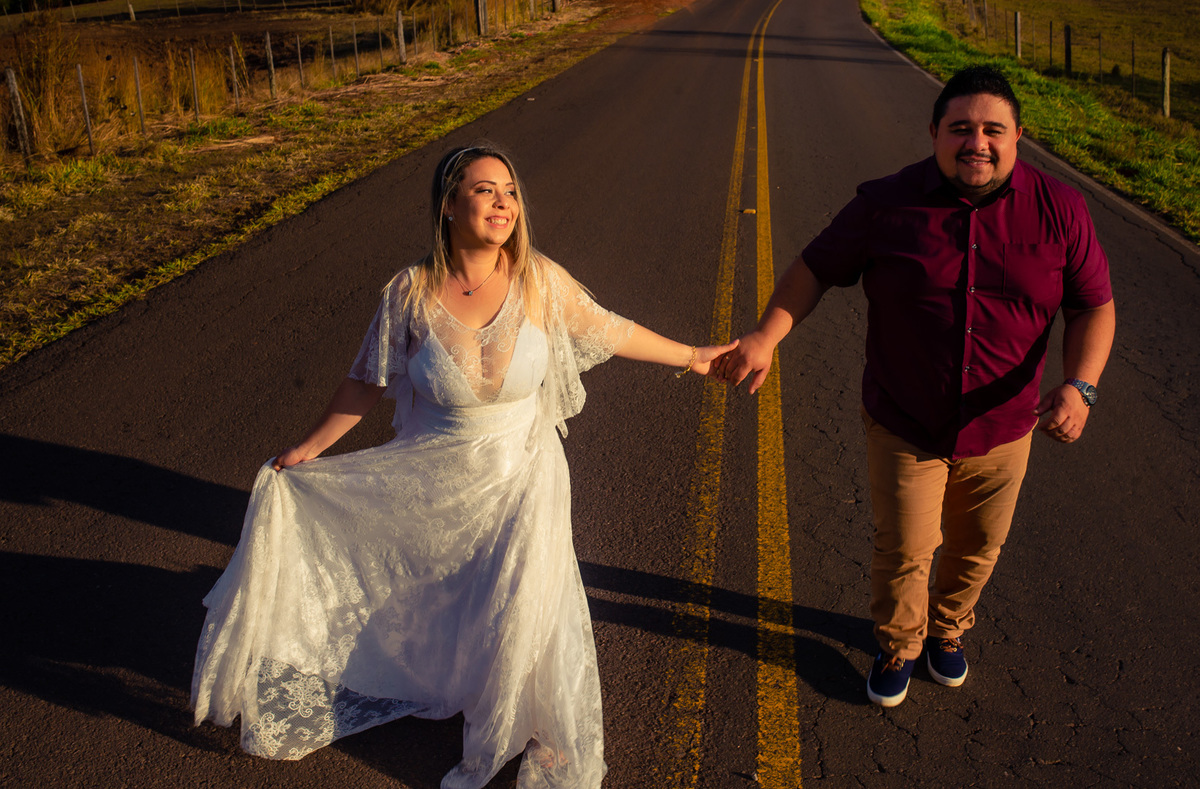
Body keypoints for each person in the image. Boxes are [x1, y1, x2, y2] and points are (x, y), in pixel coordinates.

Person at [191, 143, 735, 787]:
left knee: (525, 595)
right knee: (454, 591)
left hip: (526, 468)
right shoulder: (410, 291)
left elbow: (610, 329)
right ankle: (458, 678)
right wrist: (308, 449)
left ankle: (536, 722)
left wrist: (692, 356)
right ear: (449, 204)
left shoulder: (539, 280)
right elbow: (367, 382)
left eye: (509, 190)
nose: (503, 203)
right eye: (484, 190)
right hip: (440, 473)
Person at [712, 66, 1115, 707]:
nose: (976, 142)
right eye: (960, 129)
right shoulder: (887, 204)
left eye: (992, 130)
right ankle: (900, 642)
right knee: (906, 546)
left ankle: (948, 631)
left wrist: (1081, 386)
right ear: (934, 133)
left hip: (1005, 426)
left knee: (979, 546)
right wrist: (764, 337)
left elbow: (1093, 304)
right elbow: (815, 268)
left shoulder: (1061, 209)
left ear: (1018, 137)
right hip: (906, 420)